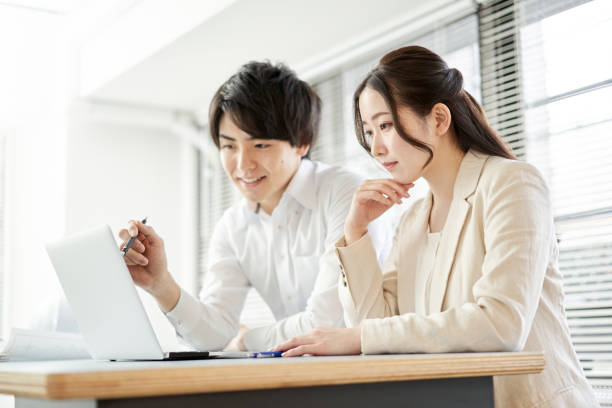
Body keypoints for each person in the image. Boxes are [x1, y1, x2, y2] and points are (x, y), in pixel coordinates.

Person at [272, 46, 599, 407]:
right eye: (368, 131)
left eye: (385, 125)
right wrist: (356, 231)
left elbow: (502, 324)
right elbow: (379, 324)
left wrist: (360, 337)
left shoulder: (512, 183)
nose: (376, 148)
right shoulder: (412, 219)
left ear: (439, 119)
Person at [119, 61, 391, 352]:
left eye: (260, 145)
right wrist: (160, 284)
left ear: (302, 142)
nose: (242, 165)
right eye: (229, 146)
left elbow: (328, 324)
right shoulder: (233, 225)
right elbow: (215, 334)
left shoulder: (346, 194)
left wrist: (245, 340)